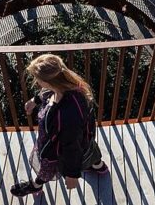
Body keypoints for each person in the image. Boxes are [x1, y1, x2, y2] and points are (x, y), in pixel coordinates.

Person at [10, 54, 109, 197]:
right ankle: (101, 168)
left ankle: (35, 186)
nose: (36, 81)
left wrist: (72, 175)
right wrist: (35, 100)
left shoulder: (67, 114)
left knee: (46, 170)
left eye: (37, 78)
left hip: (55, 150)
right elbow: (49, 91)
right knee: (91, 155)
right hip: (85, 140)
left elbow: (71, 147)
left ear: (48, 82)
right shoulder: (70, 85)